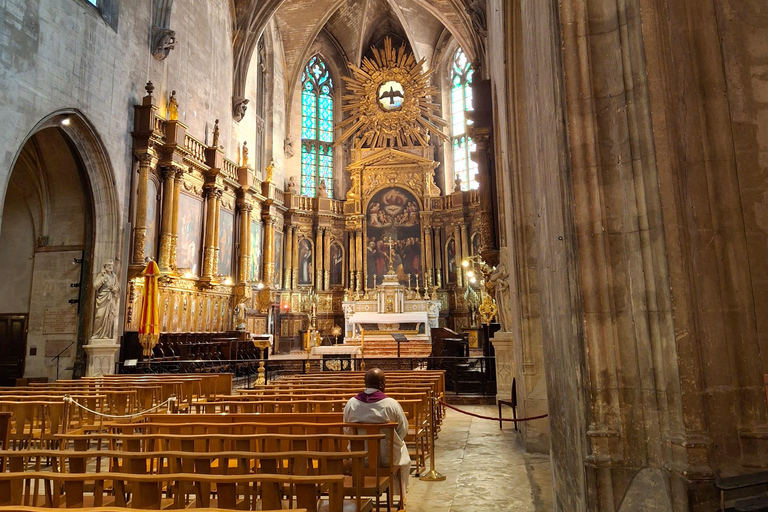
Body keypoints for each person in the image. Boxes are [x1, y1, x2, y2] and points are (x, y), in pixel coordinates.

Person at [343, 368, 411, 494]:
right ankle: (397, 493)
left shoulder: (351, 404)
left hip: (359, 457)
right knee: (401, 448)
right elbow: (403, 430)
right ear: (381, 384)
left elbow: (347, 430)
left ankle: (358, 494)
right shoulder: (391, 404)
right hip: (387, 458)